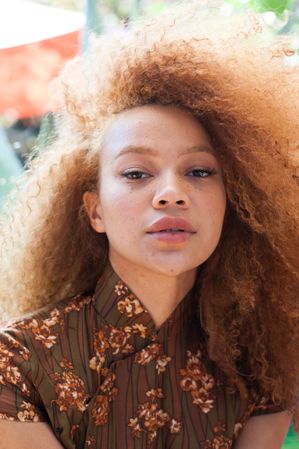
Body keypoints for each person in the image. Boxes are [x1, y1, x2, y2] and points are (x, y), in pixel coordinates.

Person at [0, 3, 298, 448]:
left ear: (233, 203)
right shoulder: (18, 362)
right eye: (136, 173)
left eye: (199, 171)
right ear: (94, 210)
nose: (171, 193)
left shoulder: (257, 363)